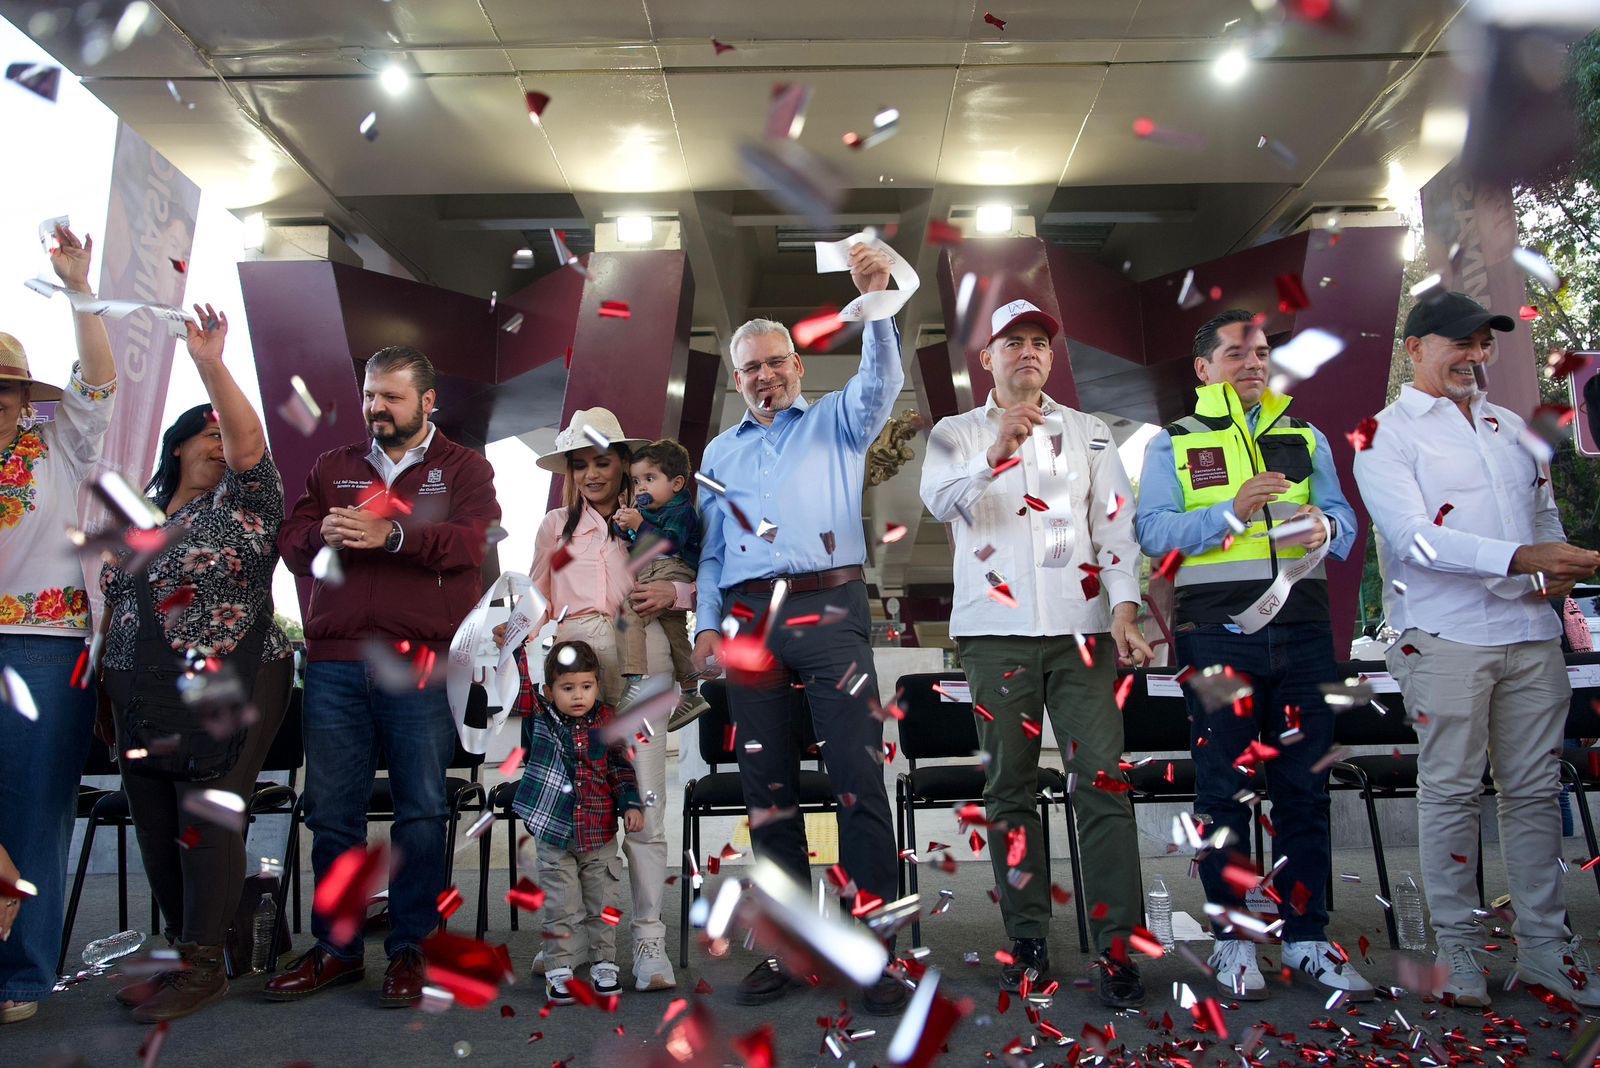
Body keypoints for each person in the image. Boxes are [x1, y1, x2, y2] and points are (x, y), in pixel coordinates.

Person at [1354, 292, 1600, 1009]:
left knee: (1534, 792)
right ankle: (1457, 948)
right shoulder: (1383, 434)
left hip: (1530, 633)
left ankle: (1545, 946)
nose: (1476, 356)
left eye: (1484, 343)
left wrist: (1556, 570)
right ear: (1416, 349)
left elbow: (1543, 517)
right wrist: (1523, 558)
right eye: (1461, 342)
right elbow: (1413, 539)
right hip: (1444, 634)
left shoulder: (1509, 426)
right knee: (1452, 793)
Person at [690, 242, 909, 1015]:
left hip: (830, 607)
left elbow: (883, 381)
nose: (766, 376)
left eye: (776, 362)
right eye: (751, 368)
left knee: (857, 780)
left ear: (797, 365)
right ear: (737, 379)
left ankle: (873, 952)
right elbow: (712, 552)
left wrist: (875, 302)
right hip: (749, 618)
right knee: (768, 791)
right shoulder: (718, 452)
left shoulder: (839, 422)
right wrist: (705, 626)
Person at [919, 298, 1154, 1009]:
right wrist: (995, 452)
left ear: (1051, 358)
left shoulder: (1090, 432)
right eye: (1013, 342)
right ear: (986, 358)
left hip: (1084, 632)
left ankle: (1118, 946)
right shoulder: (956, 432)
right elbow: (939, 502)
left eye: (1039, 343)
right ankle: (1027, 937)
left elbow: (1115, 531)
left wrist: (1124, 610)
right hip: (995, 634)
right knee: (1010, 787)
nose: (1028, 352)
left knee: (1102, 782)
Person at [1136, 308, 1373, 1002]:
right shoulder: (1175, 441)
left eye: (1262, 352)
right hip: (1214, 637)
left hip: (1304, 634)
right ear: (1203, 368)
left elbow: (1347, 521)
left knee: (1305, 788)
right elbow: (1153, 531)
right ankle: (1233, 941)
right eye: (1236, 353)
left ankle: (1307, 937)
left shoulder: (1304, 434)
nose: (1254, 363)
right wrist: (1231, 512)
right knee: (1223, 791)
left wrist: (1327, 527)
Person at [267, 346, 499, 1008]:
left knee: (421, 808)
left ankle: (411, 947)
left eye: (391, 397)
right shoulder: (333, 466)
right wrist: (322, 534)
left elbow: (475, 543)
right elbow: (292, 542)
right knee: (331, 812)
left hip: (422, 661)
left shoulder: (464, 467)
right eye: (371, 395)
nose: (377, 407)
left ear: (427, 401)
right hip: (336, 660)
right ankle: (337, 950)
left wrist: (392, 535)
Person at [98, 306, 293, 1022]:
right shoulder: (139, 520)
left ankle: (206, 965)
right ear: (177, 447)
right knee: (154, 822)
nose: (220, 443)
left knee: (205, 813)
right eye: (206, 435)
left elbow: (250, 444)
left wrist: (210, 365)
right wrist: (103, 691)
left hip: (232, 676)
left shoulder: (247, 503)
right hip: (137, 687)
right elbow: (114, 606)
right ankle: (189, 953)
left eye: (223, 434)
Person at [516, 406, 683, 992]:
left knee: (644, 803)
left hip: (644, 654)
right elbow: (535, 601)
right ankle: (576, 939)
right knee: (572, 805)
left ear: (623, 463)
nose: (591, 474)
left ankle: (648, 938)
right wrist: (508, 635)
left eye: (602, 462)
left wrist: (677, 593)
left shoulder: (660, 519)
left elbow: (697, 578)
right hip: (575, 665)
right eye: (580, 464)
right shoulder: (554, 527)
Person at [0, 224, 117, 1027]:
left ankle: (21, 974)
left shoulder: (57, 446)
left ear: (23, 399)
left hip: (46, 651)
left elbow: (99, 381)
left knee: (34, 812)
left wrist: (79, 288)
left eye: (4, 392)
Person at [512, 641, 642, 1005]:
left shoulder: (607, 720)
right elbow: (522, 693)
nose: (578, 695)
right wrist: (515, 649)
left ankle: (604, 964)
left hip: (599, 831)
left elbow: (619, 767)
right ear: (550, 690)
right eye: (567, 688)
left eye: (586, 686)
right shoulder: (541, 718)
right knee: (561, 906)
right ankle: (559, 969)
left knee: (603, 903)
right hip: (555, 832)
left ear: (597, 685)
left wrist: (630, 804)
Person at [613, 438, 711, 730]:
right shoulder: (648, 511)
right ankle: (691, 694)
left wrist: (638, 524)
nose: (641, 487)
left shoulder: (681, 510)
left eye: (650, 478)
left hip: (671, 568)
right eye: (636, 481)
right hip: (660, 571)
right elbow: (637, 539)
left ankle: (634, 682)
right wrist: (624, 525)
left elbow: (668, 543)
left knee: (628, 612)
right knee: (675, 634)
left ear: (677, 483)